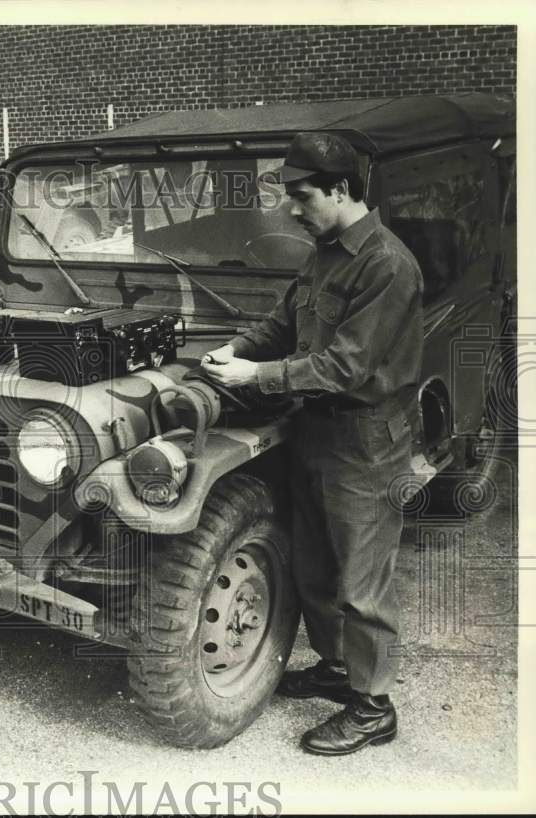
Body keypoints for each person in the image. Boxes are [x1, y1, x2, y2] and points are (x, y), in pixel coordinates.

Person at [199, 131, 423, 756]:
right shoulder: (327, 250)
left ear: (342, 190)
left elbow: (346, 366)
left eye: (302, 196)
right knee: (316, 566)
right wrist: (237, 349)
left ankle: (374, 705)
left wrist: (256, 376)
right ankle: (334, 667)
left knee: (361, 579)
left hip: (367, 442)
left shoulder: (387, 264)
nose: (292, 210)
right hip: (317, 431)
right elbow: (286, 320)